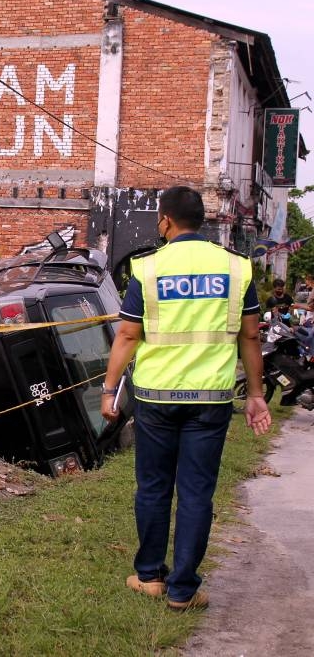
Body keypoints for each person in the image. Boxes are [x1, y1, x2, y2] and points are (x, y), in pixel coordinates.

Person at [101, 186, 271, 612]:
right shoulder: (237, 268)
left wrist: (109, 389)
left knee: (154, 486)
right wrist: (256, 394)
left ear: (166, 221)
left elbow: (127, 334)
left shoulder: (148, 268)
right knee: (196, 491)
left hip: (157, 396)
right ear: (203, 221)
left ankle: (150, 577)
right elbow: (250, 335)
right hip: (210, 398)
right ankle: (183, 590)